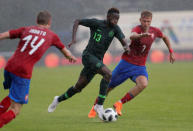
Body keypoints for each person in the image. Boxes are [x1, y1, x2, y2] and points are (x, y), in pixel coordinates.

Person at [88, 10, 175, 118]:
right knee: (108, 87)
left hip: (140, 66)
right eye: (144, 21)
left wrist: (171, 52)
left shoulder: (155, 31)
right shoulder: (137, 29)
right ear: (140, 20)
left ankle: (119, 103)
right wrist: (141, 36)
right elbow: (132, 36)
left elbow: (165, 37)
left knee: (143, 84)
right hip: (126, 64)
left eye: (148, 21)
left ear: (151, 21)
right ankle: (95, 106)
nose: (146, 23)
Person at [47, 7, 129, 120]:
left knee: (78, 87)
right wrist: (74, 39)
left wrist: (126, 48)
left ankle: (57, 99)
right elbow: (77, 21)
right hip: (88, 56)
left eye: (117, 19)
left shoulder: (115, 29)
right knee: (108, 74)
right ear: (108, 16)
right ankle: (99, 106)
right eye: (114, 18)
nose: (115, 21)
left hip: (97, 61)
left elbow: (123, 41)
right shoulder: (97, 23)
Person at [0, 10, 77, 128]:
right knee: (16, 109)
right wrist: (70, 57)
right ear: (49, 23)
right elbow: (64, 51)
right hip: (23, 72)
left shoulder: (26, 29)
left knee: (12, 96)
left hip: (9, 67)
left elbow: (4, 35)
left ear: (37, 21)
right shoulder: (51, 35)